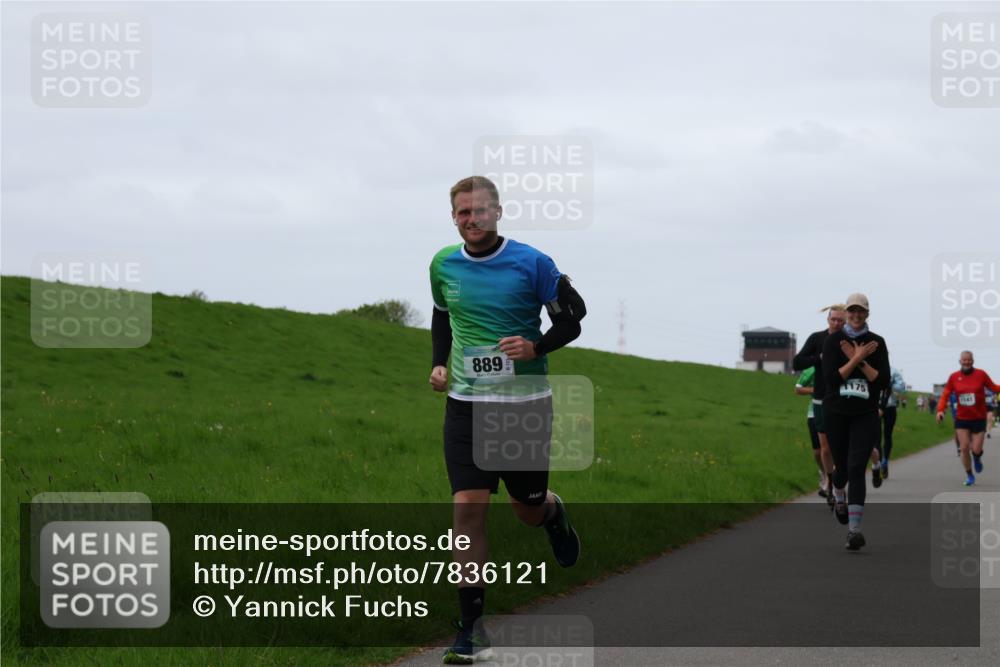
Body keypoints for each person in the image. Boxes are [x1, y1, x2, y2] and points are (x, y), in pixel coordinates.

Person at [429, 176, 585, 664]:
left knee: (525, 509)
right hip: (465, 404)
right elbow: (440, 314)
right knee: (467, 512)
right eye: (462, 213)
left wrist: (536, 346)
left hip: (522, 406)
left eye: (479, 211)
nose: (471, 220)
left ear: (497, 212)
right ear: (453, 217)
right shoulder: (443, 264)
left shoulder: (532, 262)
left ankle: (553, 513)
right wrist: (438, 361)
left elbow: (574, 316)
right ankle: (471, 629)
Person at [822, 293, 891, 551]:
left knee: (855, 467)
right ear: (846, 312)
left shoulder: (877, 342)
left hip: (865, 414)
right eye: (852, 311)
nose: (855, 315)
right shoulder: (833, 341)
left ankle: (854, 531)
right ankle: (838, 494)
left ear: (867, 313)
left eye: (860, 311)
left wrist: (860, 358)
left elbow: (882, 381)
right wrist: (853, 358)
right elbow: (832, 378)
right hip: (837, 413)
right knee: (841, 471)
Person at [793, 305, 846, 507]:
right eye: (834, 320)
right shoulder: (817, 339)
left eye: (841, 320)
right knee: (823, 448)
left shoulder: (848, 341)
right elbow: (797, 362)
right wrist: (819, 358)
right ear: (828, 320)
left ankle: (839, 481)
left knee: (839, 445)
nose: (837, 323)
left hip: (842, 399)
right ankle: (831, 483)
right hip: (821, 399)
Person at [935, 351, 1000, 486]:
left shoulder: (981, 374)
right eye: (964, 360)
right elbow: (945, 394)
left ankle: (977, 458)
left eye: (969, 360)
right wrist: (940, 411)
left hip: (978, 417)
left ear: (973, 361)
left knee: (976, 449)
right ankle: (969, 474)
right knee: (964, 448)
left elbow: (994, 387)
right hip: (962, 418)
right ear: (960, 361)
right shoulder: (954, 377)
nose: (967, 362)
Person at [794, 367, 826, 495]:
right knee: (818, 452)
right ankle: (824, 472)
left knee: (829, 449)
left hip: (834, 412)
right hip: (814, 413)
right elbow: (797, 389)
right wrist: (816, 390)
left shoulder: (838, 364)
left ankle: (831, 482)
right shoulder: (813, 370)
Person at [876, 368, 907, 479]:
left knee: (887, 435)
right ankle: (878, 463)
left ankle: (885, 461)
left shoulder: (894, 371)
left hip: (890, 407)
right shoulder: (871, 367)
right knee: (876, 437)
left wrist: (891, 384)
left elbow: (902, 388)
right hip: (875, 407)